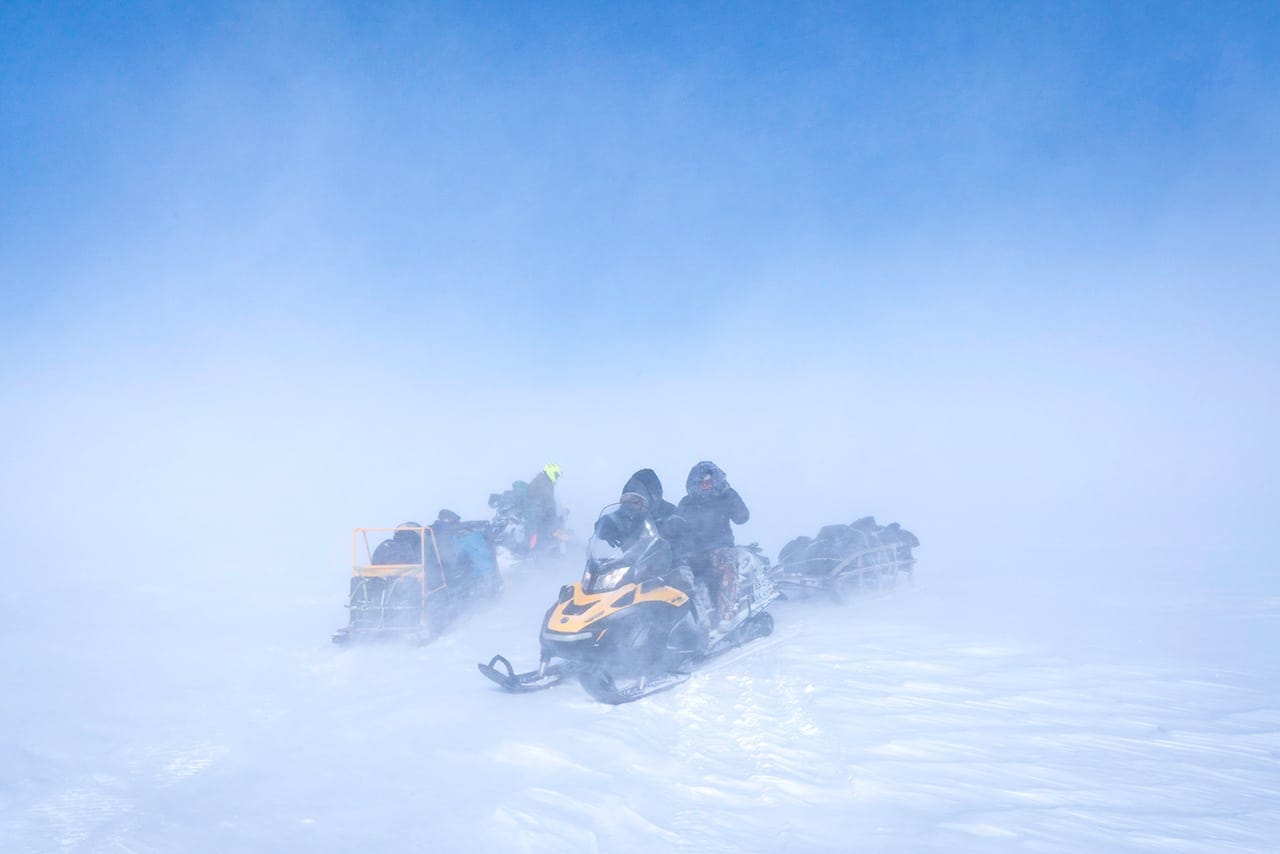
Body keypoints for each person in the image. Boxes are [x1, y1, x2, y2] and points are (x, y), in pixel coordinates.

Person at [677, 461, 750, 631]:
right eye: (701, 482)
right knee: (678, 576)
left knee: (724, 564)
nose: (705, 485)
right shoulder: (686, 503)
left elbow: (742, 517)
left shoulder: (724, 497)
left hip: (721, 547)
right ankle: (688, 624)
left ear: (716, 481)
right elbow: (677, 527)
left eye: (709, 482)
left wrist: (729, 493)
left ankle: (728, 614)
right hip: (694, 553)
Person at [526, 463, 562, 551]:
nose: (557, 478)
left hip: (539, 513)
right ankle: (536, 550)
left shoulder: (544, 481)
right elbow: (549, 502)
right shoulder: (544, 482)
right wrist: (553, 518)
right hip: (538, 515)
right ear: (550, 472)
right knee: (544, 532)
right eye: (556, 475)